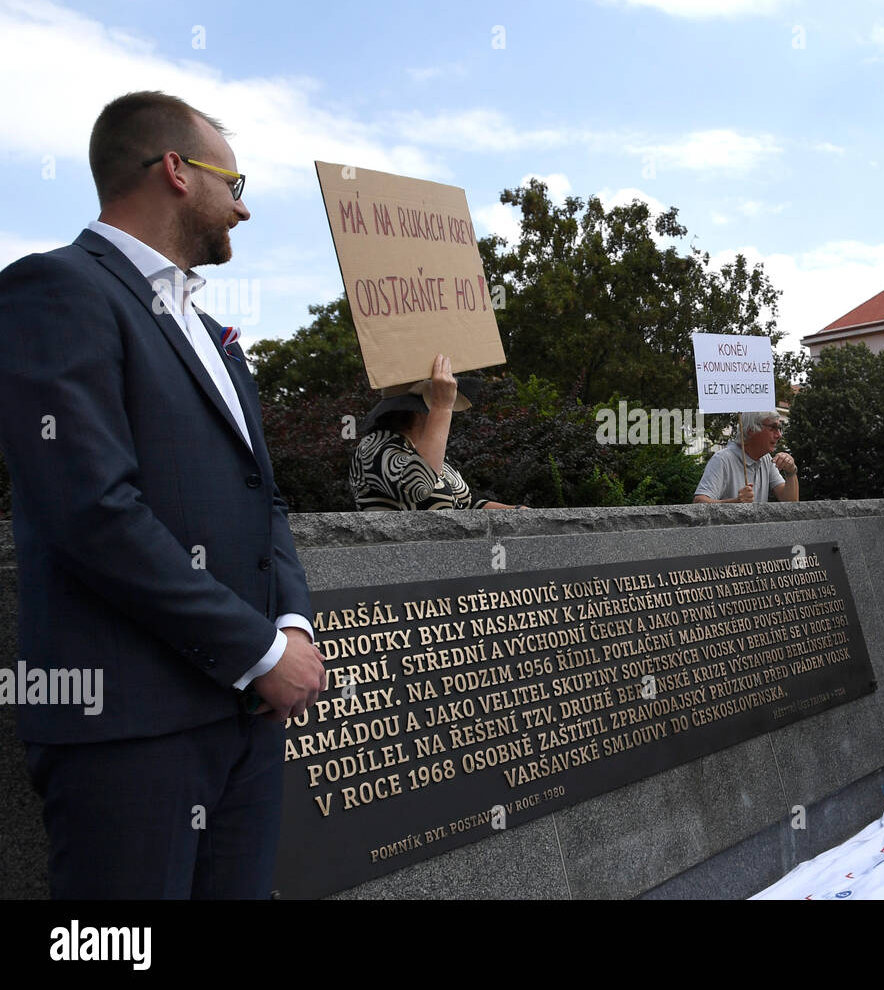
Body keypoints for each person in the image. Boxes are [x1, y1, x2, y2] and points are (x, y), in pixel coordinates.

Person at [0, 91, 326, 899]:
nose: (244, 209)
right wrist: (257, 652)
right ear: (177, 171)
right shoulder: (56, 290)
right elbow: (94, 512)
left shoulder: (212, 334)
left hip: (246, 727)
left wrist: (289, 621)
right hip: (131, 738)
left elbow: (265, 502)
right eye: (234, 180)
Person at [350, 353, 521, 511]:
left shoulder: (430, 454)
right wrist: (442, 406)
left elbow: (465, 505)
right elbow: (418, 485)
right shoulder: (372, 446)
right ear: (418, 409)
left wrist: (516, 512)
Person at [693, 411, 799, 503]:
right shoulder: (722, 459)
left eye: (779, 428)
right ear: (751, 430)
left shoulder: (766, 458)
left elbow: (791, 502)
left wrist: (791, 471)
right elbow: (699, 502)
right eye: (773, 428)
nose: (779, 435)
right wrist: (735, 502)